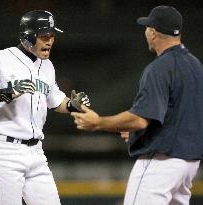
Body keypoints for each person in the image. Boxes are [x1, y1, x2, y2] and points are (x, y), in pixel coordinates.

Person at [71, 5, 203, 205]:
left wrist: (97, 123)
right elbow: (178, 117)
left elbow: (140, 120)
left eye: (147, 27)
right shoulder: (195, 66)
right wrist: (136, 134)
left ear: (153, 32)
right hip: (189, 164)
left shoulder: (160, 68)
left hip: (161, 163)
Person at [0, 10, 90, 205]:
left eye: (52, 36)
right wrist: (6, 93)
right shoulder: (0, 59)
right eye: (45, 36)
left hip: (36, 152)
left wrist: (73, 105)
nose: (50, 41)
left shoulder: (47, 67)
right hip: (5, 151)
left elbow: (56, 101)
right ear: (28, 36)